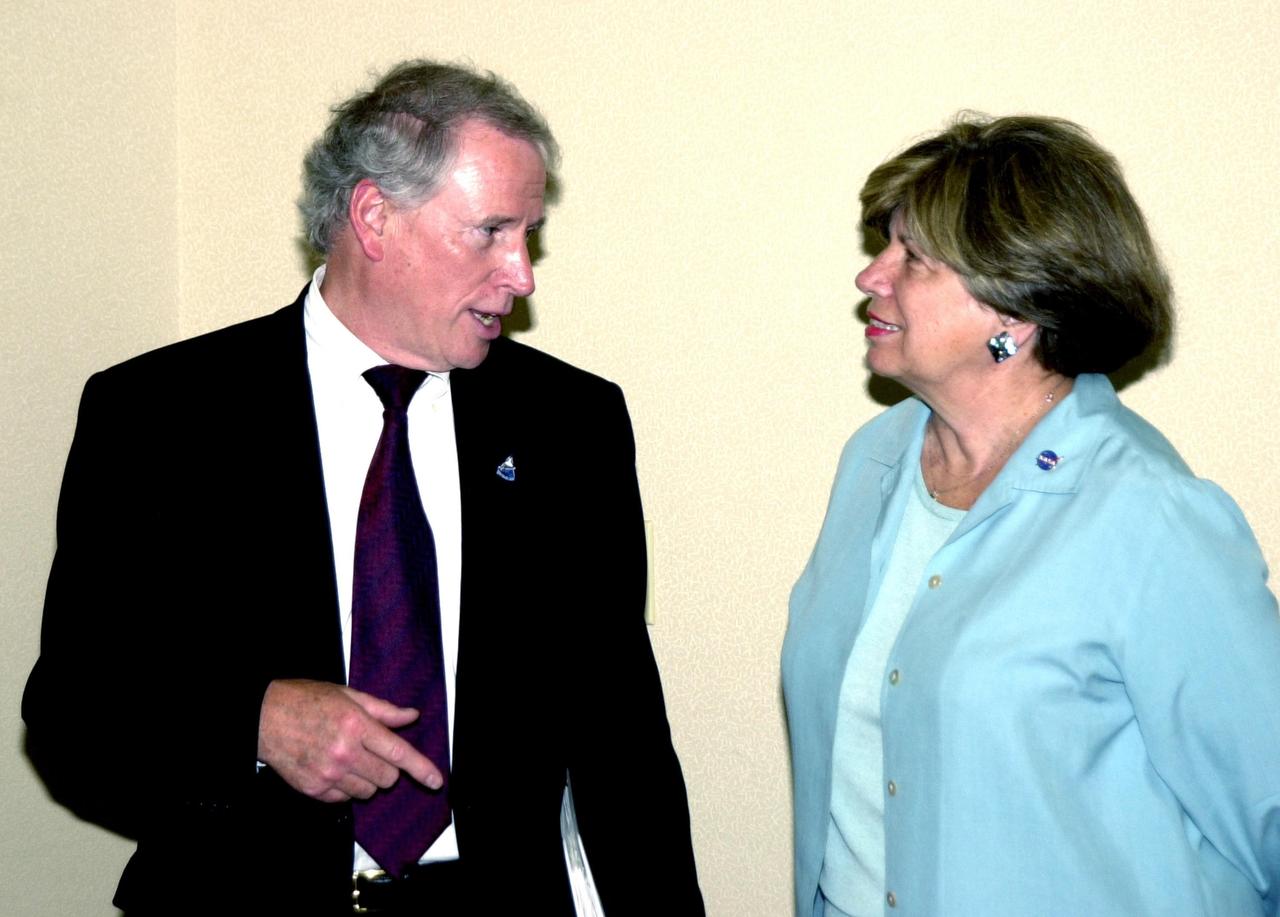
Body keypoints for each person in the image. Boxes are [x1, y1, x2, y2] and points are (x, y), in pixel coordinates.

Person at [23, 60, 703, 916]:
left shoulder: (571, 424)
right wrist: (257, 722)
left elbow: (623, 742)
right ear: (374, 216)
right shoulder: (163, 412)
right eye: (491, 231)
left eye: (528, 233)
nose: (521, 273)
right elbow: (73, 708)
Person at [782, 115, 1280, 917]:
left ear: (1013, 312)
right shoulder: (873, 461)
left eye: (913, 258)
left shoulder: (1148, 518)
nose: (871, 277)